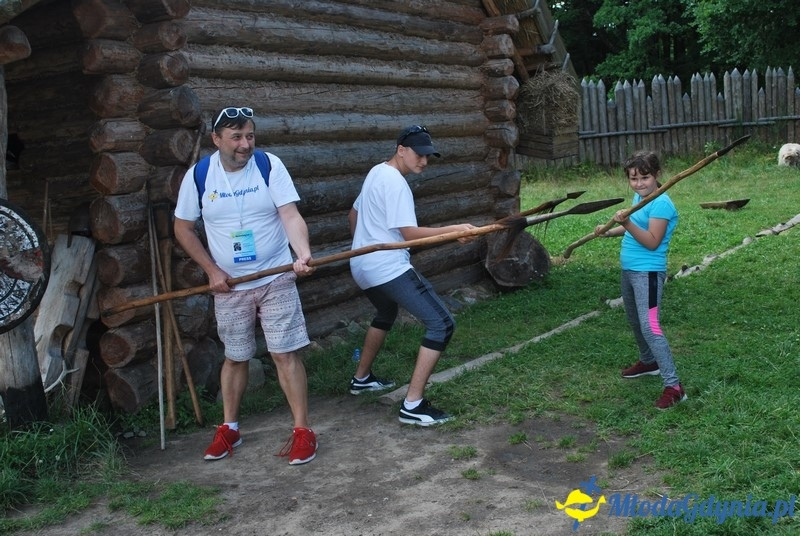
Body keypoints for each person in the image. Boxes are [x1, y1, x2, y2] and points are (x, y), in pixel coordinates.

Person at [174, 106, 318, 463]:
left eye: (250, 136)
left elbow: (289, 214)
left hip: (275, 273)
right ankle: (230, 428)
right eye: (236, 137)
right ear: (217, 139)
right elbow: (183, 228)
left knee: (284, 352)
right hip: (230, 284)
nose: (245, 144)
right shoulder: (200, 175)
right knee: (236, 356)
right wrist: (211, 271)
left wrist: (302, 253)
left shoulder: (270, 165)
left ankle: (303, 431)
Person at [348, 125, 476, 425]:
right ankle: (413, 404)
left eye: (428, 156)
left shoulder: (376, 173)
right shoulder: (395, 182)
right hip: (386, 266)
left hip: (363, 266)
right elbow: (409, 235)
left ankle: (361, 378)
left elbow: (352, 215)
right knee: (442, 323)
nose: (424, 161)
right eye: (419, 154)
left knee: (385, 311)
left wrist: (363, 246)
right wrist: (454, 230)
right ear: (401, 149)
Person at [595, 150, 686, 409]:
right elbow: (633, 227)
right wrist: (608, 231)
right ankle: (648, 362)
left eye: (644, 178)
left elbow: (651, 240)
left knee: (651, 327)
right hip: (629, 270)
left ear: (657, 176)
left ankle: (674, 386)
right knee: (634, 319)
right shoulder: (640, 198)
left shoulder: (661, 204)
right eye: (633, 179)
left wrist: (625, 223)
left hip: (648, 273)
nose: (639, 184)